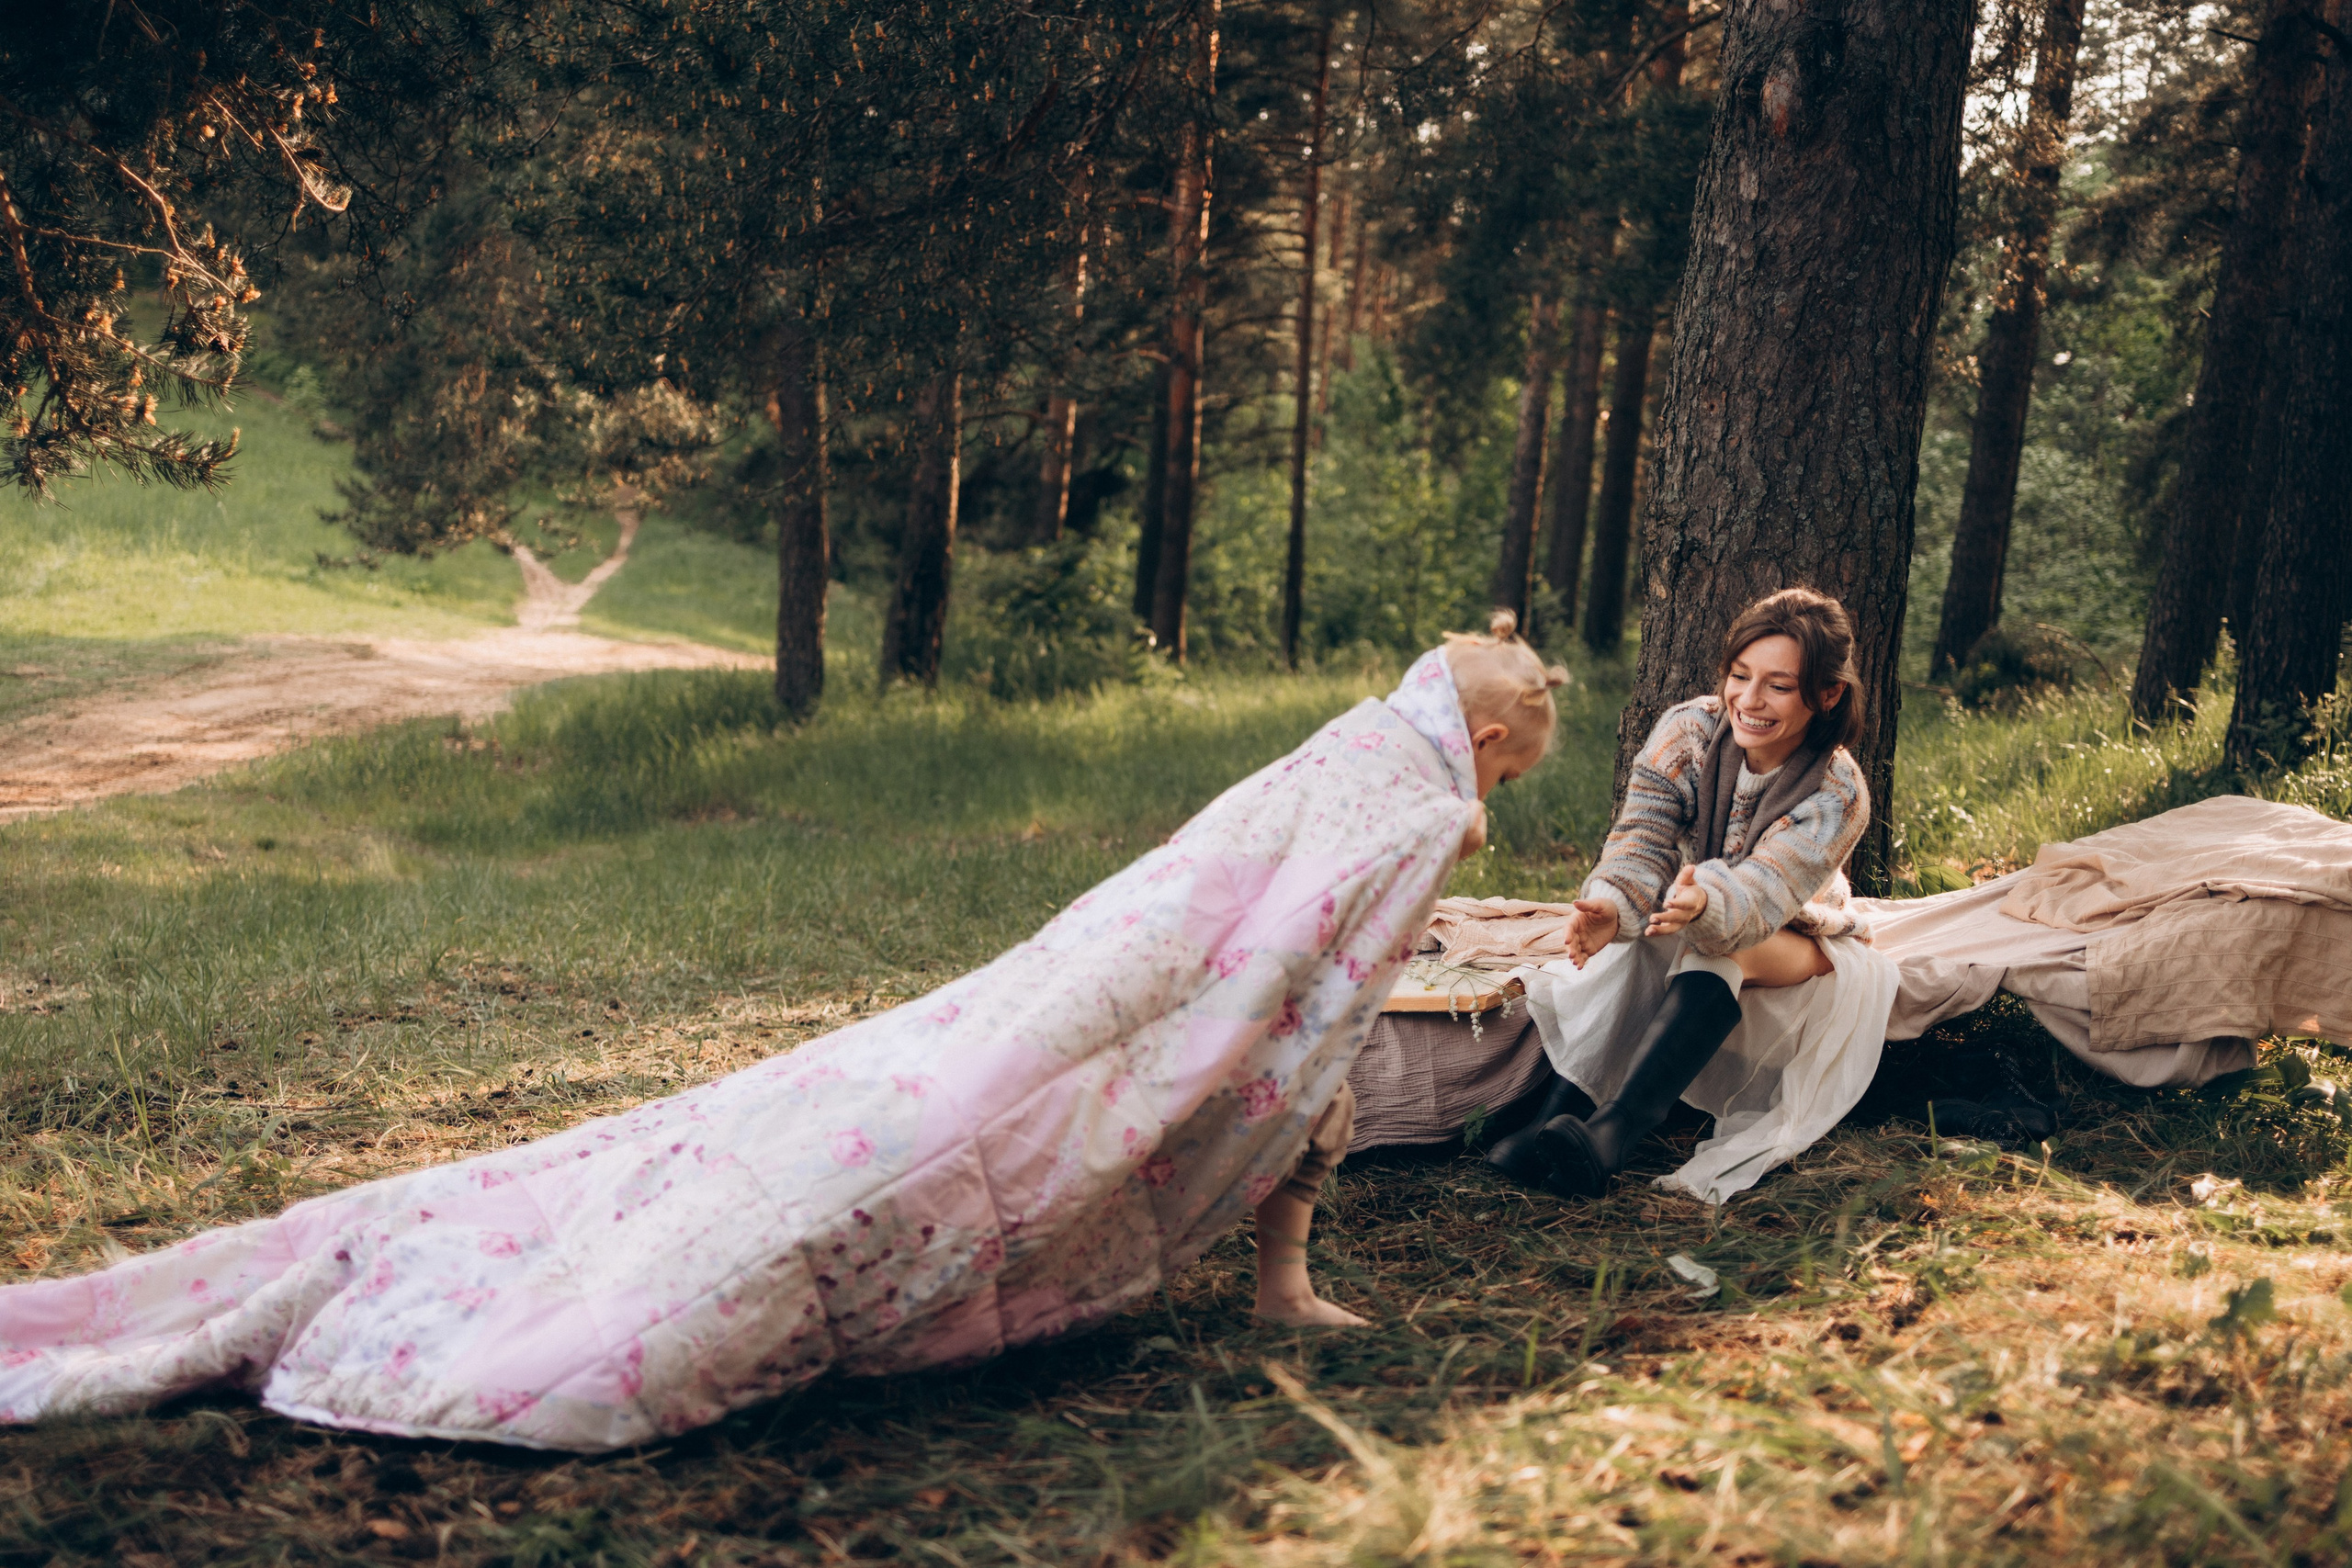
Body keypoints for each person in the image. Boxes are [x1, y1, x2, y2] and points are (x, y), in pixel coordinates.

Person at [1, 615, 1564, 1453]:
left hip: (1100, 956)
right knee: (964, 1138)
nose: (1497, 794)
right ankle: (1282, 1282)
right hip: (1156, 994)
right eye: (1511, 768)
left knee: (965, 1080)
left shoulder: (1361, 734)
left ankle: (1288, 1279)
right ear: (1488, 741)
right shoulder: (1419, 793)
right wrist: (1246, 1044)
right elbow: (1320, 942)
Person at [1486, 587, 1883, 1201]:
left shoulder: (1838, 790)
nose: (1749, 700)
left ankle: (1615, 1131)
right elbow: (1642, 836)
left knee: (1720, 950)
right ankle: (1549, 1121)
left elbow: (1764, 889)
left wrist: (1703, 903)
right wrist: (1613, 905)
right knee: (1645, 936)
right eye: (1740, 675)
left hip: (1802, 934)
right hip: (1700, 903)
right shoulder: (1688, 730)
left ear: (1826, 694)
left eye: (1777, 685)